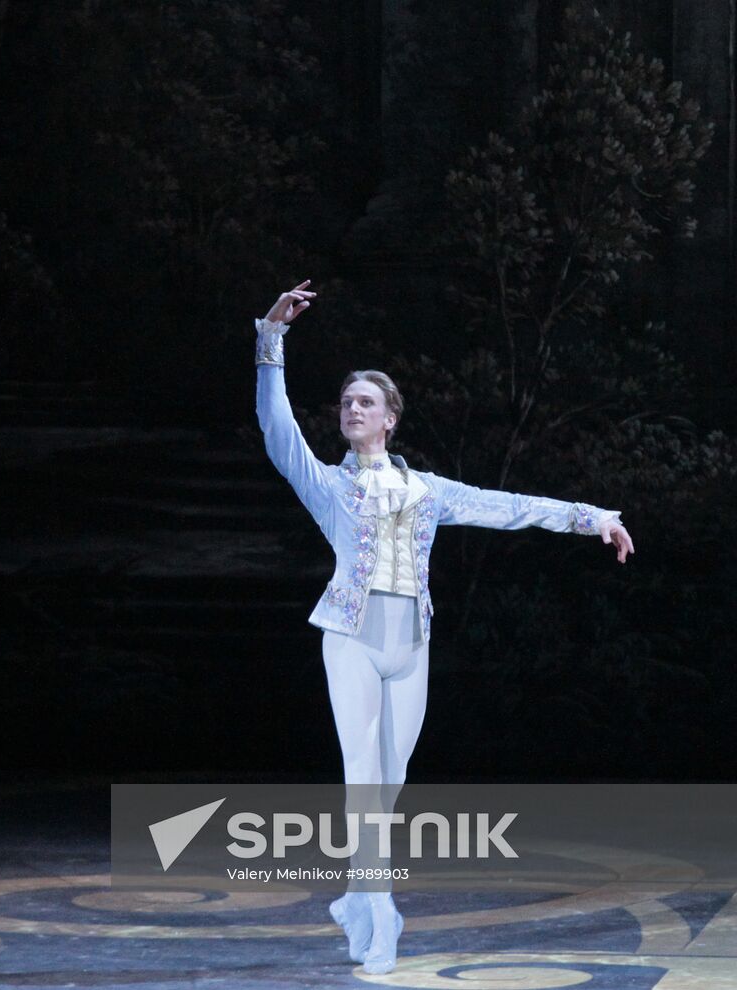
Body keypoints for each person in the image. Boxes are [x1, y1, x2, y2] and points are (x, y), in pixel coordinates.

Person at [253, 281, 634, 975]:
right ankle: (383, 919)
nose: (351, 410)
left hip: (412, 644)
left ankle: (352, 900)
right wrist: (271, 342)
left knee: (388, 790)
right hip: (351, 636)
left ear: (391, 417)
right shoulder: (328, 485)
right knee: (363, 782)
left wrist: (592, 516)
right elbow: (278, 432)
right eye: (345, 402)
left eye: (365, 402)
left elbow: (508, 506)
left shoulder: (431, 490)